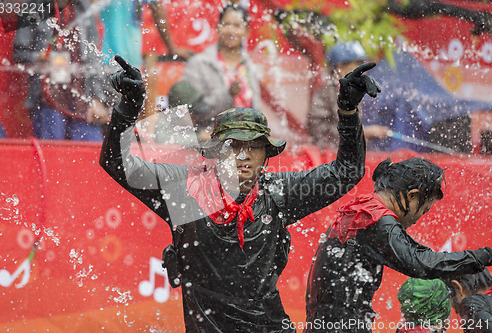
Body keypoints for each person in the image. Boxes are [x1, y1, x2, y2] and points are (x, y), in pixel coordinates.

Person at [100, 55, 380, 332]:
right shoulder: (185, 192)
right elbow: (117, 163)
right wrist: (129, 106)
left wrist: (347, 111)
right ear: (216, 153)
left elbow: (347, 171)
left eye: (254, 147)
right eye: (234, 146)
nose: (244, 156)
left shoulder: (278, 194)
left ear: (266, 155)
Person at [305, 157, 492, 333]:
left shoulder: (361, 208)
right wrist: (486, 255)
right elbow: (421, 263)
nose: (419, 219)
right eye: (424, 210)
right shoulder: (376, 221)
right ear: (412, 196)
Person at [12, 0, 109, 141]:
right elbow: (19, 54)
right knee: (51, 153)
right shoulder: (32, 6)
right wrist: (40, 56)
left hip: (81, 98)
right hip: (48, 98)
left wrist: (97, 98)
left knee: (92, 154)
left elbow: (93, 59)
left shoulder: (83, 6)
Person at [181, 4, 261, 140]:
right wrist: (228, 95)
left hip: (245, 144)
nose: (231, 31)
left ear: (246, 31)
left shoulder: (249, 67)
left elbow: (255, 110)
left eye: (237, 26)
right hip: (209, 141)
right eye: (226, 24)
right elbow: (193, 112)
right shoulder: (200, 64)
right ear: (218, 27)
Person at [307, 41, 389, 150]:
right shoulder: (329, 93)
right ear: (340, 68)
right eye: (358, 65)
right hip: (328, 156)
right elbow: (323, 131)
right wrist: (365, 132)